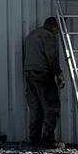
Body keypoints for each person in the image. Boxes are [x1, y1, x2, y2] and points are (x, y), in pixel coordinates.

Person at [23, 17, 63, 147]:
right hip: (43, 74)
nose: (58, 32)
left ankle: (34, 139)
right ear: (53, 26)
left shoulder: (31, 36)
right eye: (57, 29)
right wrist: (58, 73)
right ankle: (48, 140)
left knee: (35, 108)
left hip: (29, 74)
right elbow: (52, 58)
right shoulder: (47, 36)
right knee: (51, 107)